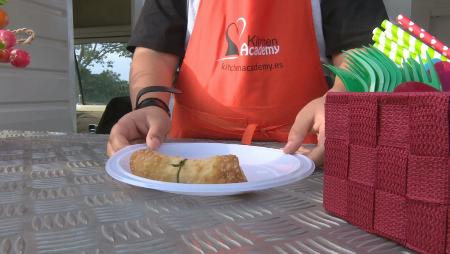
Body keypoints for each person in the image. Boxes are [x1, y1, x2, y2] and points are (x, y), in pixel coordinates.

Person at [107, 0, 388, 165]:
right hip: (193, 154)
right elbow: (154, 50)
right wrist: (151, 104)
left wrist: (339, 101)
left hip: (302, 156)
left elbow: (360, 51)